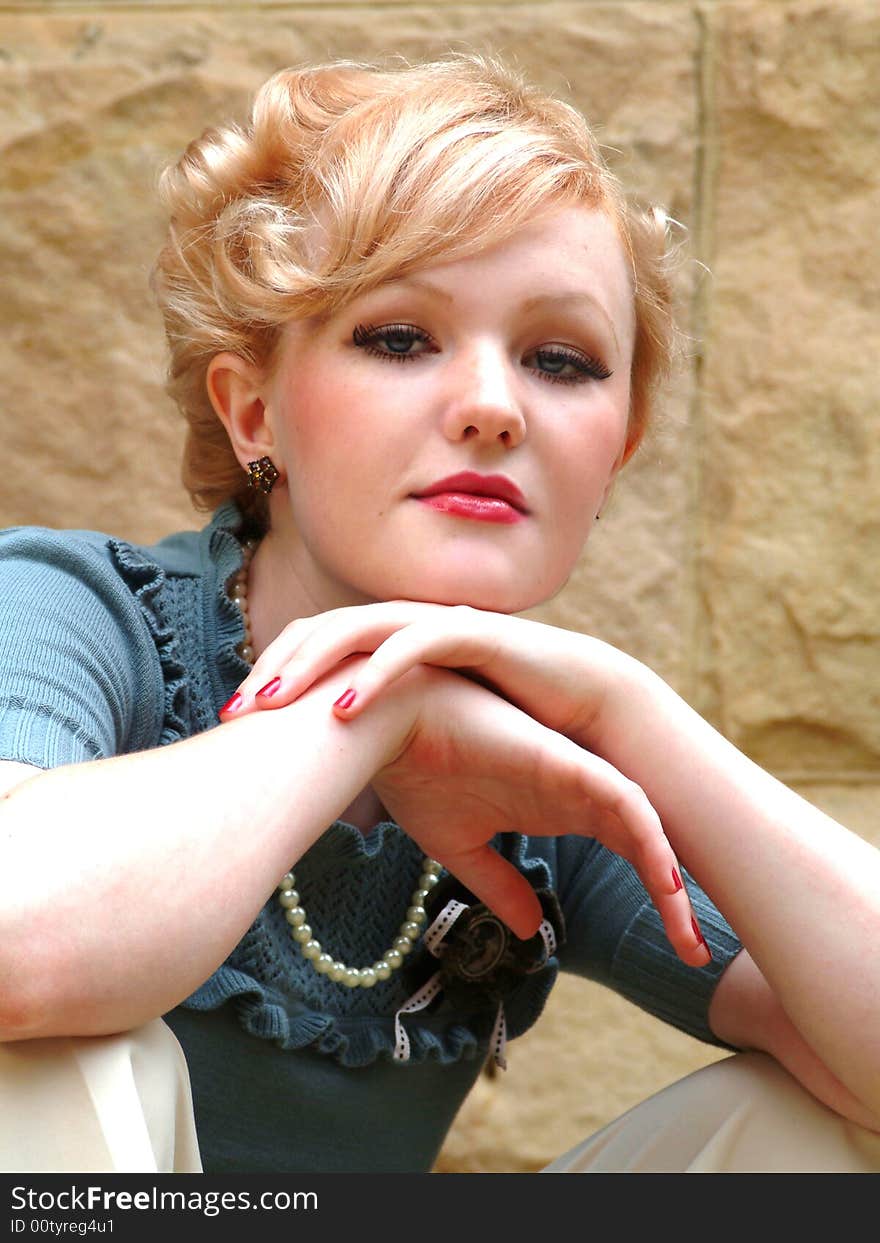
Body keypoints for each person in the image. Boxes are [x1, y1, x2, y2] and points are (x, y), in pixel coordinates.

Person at [0, 53, 878, 1177]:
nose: (492, 408)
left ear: (615, 452)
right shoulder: (73, 613)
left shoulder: (552, 776)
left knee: (816, 1119)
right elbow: (18, 948)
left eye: (560, 361)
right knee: (72, 1053)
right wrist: (380, 706)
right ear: (254, 408)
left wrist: (631, 710)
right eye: (401, 338)